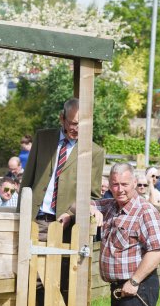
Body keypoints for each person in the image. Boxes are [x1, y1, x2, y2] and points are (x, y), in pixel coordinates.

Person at [91, 163, 160, 306]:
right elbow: (78, 203)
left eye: (124, 184)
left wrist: (134, 281)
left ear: (134, 183)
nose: (120, 189)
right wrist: (90, 209)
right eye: (115, 184)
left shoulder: (145, 211)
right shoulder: (110, 207)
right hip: (118, 288)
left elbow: (157, 251)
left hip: (137, 288)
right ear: (109, 185)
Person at [20, 98, 104, 241]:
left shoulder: (95, 152)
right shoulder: (42, 138)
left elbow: (93, 197)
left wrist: (70, 214)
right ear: (62, 118)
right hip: (33, 221)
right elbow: (27, 181)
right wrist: (20, 216)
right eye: (73, 123)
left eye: (81, 125)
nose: (76, 129)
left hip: (67, 228)